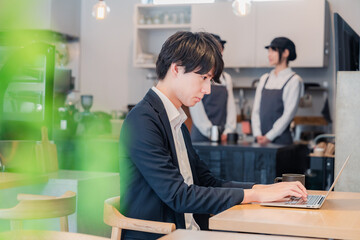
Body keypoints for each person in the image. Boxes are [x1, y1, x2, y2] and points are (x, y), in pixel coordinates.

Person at [119, 32, 307, 240]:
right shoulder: (142, 120)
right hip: (163, 235)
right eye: (204, 78)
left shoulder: (176, 121)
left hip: (190, 232)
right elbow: (178, 195)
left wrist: (264, 189)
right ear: (176, 68)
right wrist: (255, 195)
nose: (208, 89)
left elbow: (207, 182)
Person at [251, 37, 304, 145]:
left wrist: (269, 137)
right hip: (261, 140)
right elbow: (256, 110)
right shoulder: (264, 78)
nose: (269, 55)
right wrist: (257, 134)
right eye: (268, 51)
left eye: (273, 51)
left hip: (281, 142)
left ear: (285, 53)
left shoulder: (294, 80)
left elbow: (288, 115)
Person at [189, 34, 236, 142]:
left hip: (222, 136)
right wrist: (210, 131)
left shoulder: (226, 78)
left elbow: (231, 107)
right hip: (201, 135)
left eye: (220, 49)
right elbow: (196, 110)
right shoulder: (198, 75)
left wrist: (228, 130)